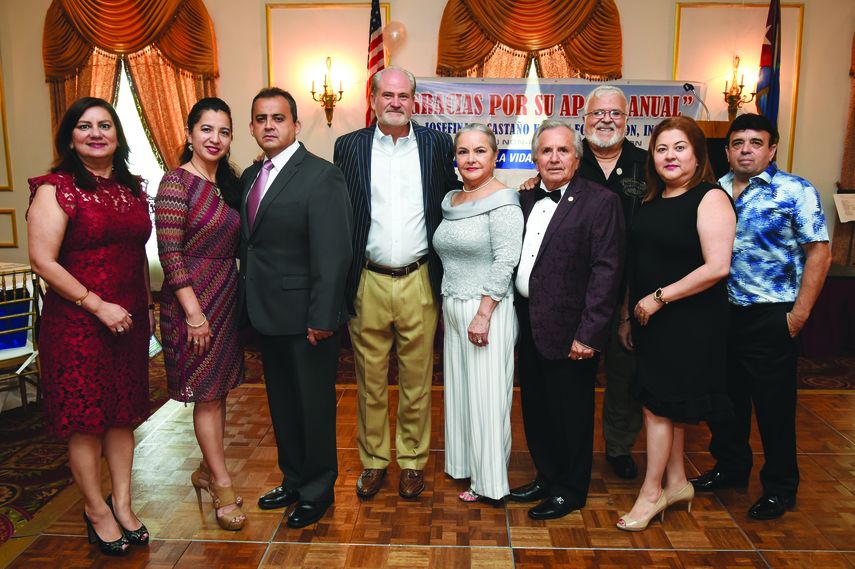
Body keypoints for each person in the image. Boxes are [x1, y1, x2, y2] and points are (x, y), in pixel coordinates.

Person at [689, 113, 831, 520]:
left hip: (771, 316)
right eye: (737, 143)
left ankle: (780, 487)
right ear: (728, 149)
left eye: (755, 142)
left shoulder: (794, 191)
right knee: (724, 403)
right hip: (719, 316)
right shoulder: (712, 192)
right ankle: (732, 469)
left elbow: (819, 253)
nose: (746, 149)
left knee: (774, 409)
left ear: (771, 149)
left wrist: (798, 316)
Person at [27, 97, 153, 555]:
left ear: (117, 136)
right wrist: (98, 306)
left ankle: (122, 503)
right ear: (70, 137)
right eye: (85, 126)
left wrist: (147, 309)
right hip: (78, 326)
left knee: (123, 415)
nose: (96, 133)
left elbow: (137, 253)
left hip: (130, 322)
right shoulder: (56, 188)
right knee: (88, 422)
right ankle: (95, 509)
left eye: (105, 125)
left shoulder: (132, 187)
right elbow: (42, 260)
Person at [333, 67, 460, 500]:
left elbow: (457, 194)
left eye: (403, 95)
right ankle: (373, 462)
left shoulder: (436, 145)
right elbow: (337, 206)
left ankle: (411, 461)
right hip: (367, 278)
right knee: (368, 379)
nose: (395, 102)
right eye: (387, 94)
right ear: (372, 98)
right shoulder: (347, 147)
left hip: (420, 278)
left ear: (414, 101)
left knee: (417, 378)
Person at [615, 116, 736, 532]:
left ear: (699, 153)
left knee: (657, 409)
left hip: (689, 320)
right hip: (652, 319)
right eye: (661, 148)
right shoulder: (653, 199)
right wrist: (633, 311)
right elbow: (641, 263)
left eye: (679, 147)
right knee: (666, 405)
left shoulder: (710, 197)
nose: (669, 156)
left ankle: (651, 495)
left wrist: (659, 298)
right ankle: (678, 482)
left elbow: (718, 267)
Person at [241, 87, 352, 529]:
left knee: (314, 407)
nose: (269, 125)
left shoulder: (321, 175)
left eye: (278, 118)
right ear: (252, 127)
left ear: (294, 125)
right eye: (261, 118)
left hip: (308, 319)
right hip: (267, 314)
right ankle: (293, 479)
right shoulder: (251, 177)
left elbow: (334, 252)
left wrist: (323, 317)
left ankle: (317, 490)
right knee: (282, 405)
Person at [509, 120, 624, 520]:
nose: (554, 158)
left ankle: (571, 489)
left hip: (574, 330)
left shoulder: (601, 201)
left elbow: (607, 273)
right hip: (528, 323)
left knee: (571, 414)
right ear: (535, 158)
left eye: (562, 151)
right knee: (537, 409)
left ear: (577, 158)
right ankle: (547, 476)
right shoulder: (522, 199)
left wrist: (590, 335)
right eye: (546, 151)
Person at [154, 97, 245, 531]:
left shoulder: (228, 185)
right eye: (206, 129)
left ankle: (209, 471)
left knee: (218, 392)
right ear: (189, 134)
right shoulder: (176, 184)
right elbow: (169, 254)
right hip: (193, 301)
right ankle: (222, 485)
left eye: (223, 131)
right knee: (206, 394)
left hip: (226, 298)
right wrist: (193, 313)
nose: (215, 138)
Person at [433, 124, 523, 502]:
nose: (471, 159)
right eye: (464, 152)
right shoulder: (453, 199)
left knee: (487, 398)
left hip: (487, 308)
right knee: (462, 394)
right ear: (455, 159)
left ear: (495, 156)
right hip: (454, 305)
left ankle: (489, 483)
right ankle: (467, 466)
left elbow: (506, 260)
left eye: (480, 151)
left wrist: (484, 312)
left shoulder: (504, 200)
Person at [581, 85, 647, 480]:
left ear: (627, 119)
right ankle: (575, 447)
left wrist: (633, 303)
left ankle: (619, 446)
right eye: (598, 113)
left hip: (629, 292)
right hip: (579, 294)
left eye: (615, 113)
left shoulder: (647, 164)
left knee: (625, 375)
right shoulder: (570, 159)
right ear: (584, 120)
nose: (606, 119)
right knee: (575, 376)